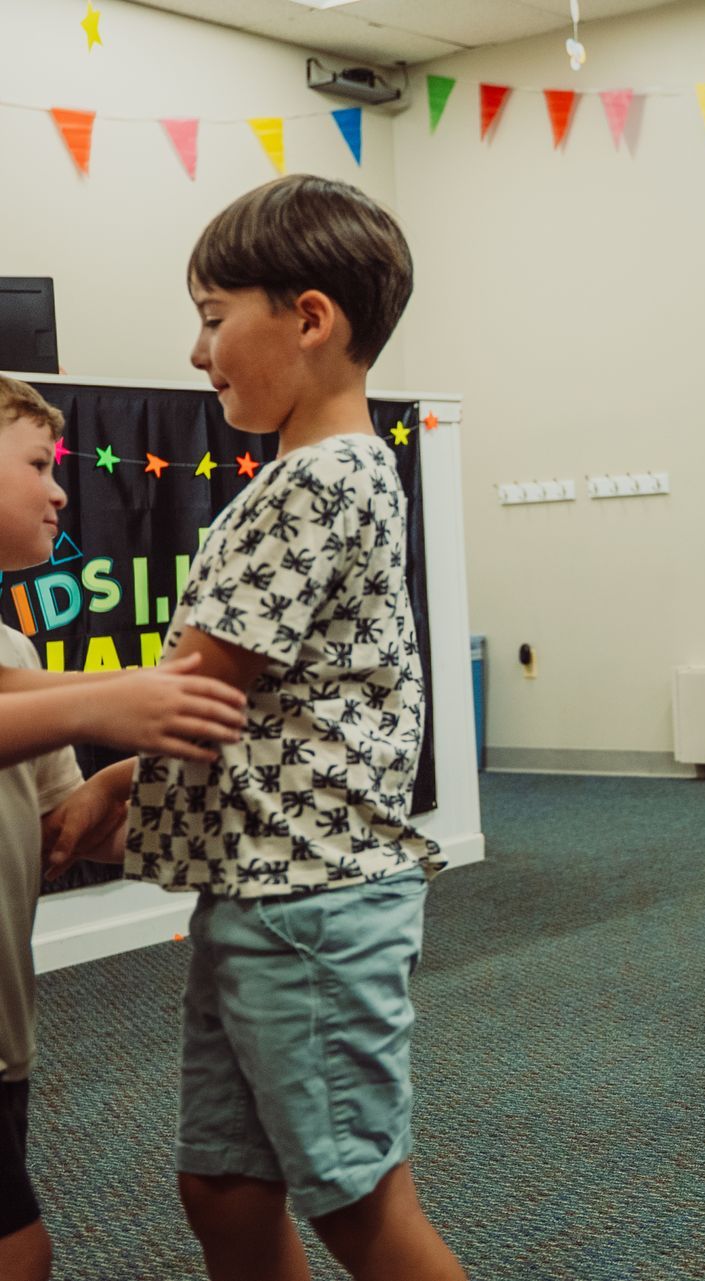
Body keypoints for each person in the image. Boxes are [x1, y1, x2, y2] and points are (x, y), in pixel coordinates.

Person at [45, 175, 467, 1281]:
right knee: (224, 1190)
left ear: (311, 318)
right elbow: (236, 708)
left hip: (311, 907)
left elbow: (187, 688)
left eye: (213, 316)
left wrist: (102, 791)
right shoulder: (329, 474)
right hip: (261, 893)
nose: (197, 351)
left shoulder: (313, 486)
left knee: (359, 1205)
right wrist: (126, 792)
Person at [0, 376, 248, 1281]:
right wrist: (120, 699)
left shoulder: (19, 652)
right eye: (37, 465)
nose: (61, 493)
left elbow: (66, 827)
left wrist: (123, 784)